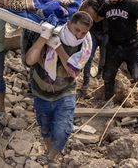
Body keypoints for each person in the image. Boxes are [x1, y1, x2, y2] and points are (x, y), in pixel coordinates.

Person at [24, 12, 93, 167]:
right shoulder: (49, 33)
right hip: (41, 92)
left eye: (83, 32)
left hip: (65, 92)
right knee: (45, 128)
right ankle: (51, 156)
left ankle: (50, 156)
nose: (78, 35)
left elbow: (73, 72)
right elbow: (29, 60)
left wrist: (58, 47)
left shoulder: (85, 45)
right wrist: (44, 38)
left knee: (63, 131)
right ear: (69, 23)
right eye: (76, 30)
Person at [88, 0, 138, 102]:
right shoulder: (107, 5)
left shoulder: (132, 4)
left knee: (137, 75)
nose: (112, 0)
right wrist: (88, 8)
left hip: (131, 45)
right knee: (108, 76)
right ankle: (108, 100)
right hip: (113, 46)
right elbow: (98, 18)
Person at [81, 0, 109, 90]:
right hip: (92, 30)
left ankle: (100, 75)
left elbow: (109, 5)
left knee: (103, 57)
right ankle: (86, 82)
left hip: (106, 31)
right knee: (88, 56)